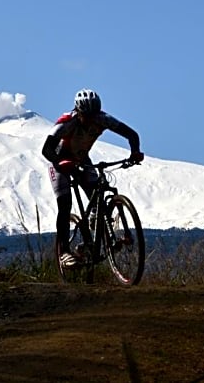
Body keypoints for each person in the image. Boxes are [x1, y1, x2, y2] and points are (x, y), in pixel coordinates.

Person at [41, 88, 144, 268]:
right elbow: (46, 149)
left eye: (93, 115)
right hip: (59, 161)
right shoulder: (66, 122)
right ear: (78, 111)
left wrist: (135, 152)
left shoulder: (103, 119)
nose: (90, 120)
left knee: (98, 197)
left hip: (82, 160)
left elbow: (132, 134)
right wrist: (61, 161)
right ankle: (64, 252)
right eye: (85, 116)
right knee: (64, 203)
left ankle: (91, 240)